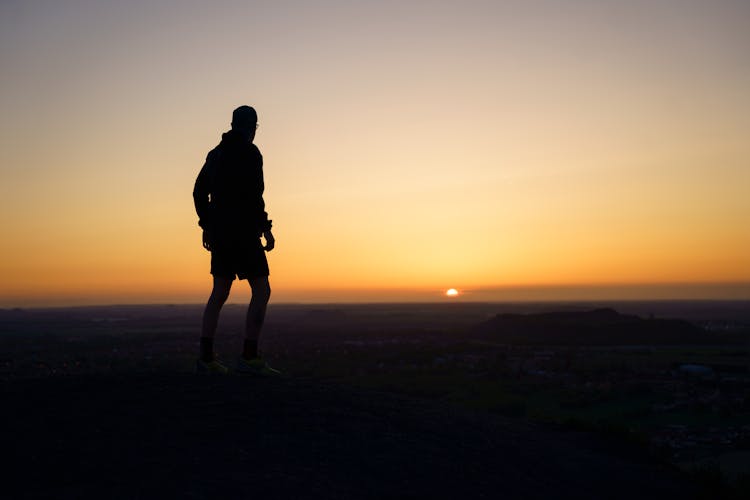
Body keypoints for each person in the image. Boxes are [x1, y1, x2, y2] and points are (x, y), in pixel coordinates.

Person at [193, 105, 279, 376]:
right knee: (262, 291)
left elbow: (198, 192)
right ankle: (249, 356)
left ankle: (206, 359)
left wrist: (207, 225)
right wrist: (265, 228)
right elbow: (255, 195)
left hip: (220, 233)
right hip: (242, 232)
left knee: (219, 292)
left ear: (232, 125)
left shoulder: (215, 154)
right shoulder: (251, 153)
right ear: (252, 127)